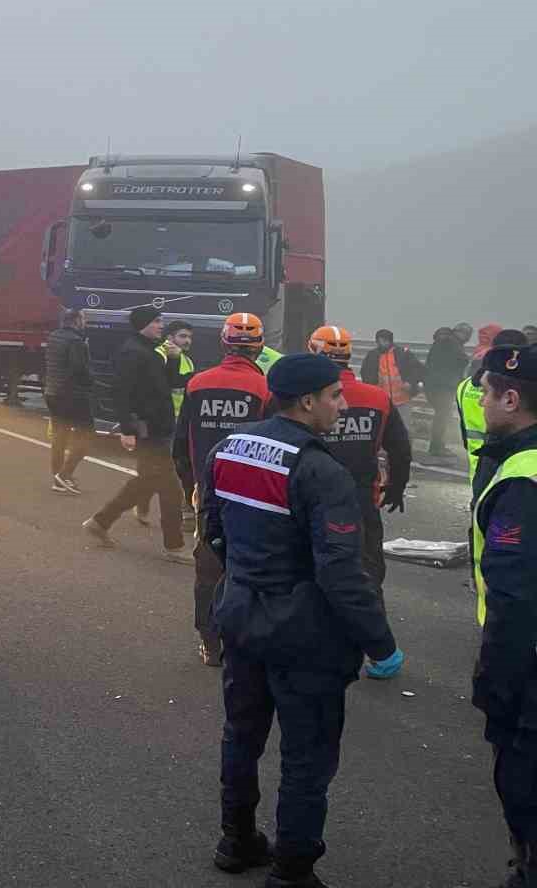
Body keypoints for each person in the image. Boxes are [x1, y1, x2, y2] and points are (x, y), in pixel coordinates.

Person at [202, 353, 400, 887]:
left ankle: (236, 840)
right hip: (303, 636)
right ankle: (292, 870)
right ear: (308, 401)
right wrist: (380, 642)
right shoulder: (321, 470)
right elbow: (341, 573)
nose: (342, 404)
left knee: (241, 736)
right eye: (335, 395)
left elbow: (214, 530)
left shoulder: (229, 448)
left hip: (240, 617)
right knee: (307, 757)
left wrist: (247, 581)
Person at [471, 347, 537, 885]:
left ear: (510, 398)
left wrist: (495, 685)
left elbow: (513, 598)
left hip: (531, 665)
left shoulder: (522, 477)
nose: (483, 403)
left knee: (524, 785)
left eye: (487, 394)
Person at [172, 312, 272, 667]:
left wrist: (191, 489)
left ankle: (210, 642)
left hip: (208, 491)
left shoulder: (198, 384)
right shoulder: (265, 389)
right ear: (259, 346)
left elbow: (180, 444)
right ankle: (247, 637)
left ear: (223, 342)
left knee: (209, 569)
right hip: (254, 495)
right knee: (251, 567)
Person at [308, 324, 412, 621]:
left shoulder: (303, 399)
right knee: (367, 573)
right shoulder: (376, 397)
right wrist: (396, 487)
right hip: (362, 500)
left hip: (310, 501)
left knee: (311, 573)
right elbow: (400, 448)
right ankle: (378, 648)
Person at [83, 306, 189, 563]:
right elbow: (121, 392)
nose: (161, 326)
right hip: (148, 429)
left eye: (161, 320)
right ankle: (174, 547)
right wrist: (127, 429)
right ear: (143, 324)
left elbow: (171, 383)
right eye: (156, 321)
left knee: (146, 482)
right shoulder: (132, 352)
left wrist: (174, 358)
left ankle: (100, 521)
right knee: (171, 489)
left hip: (160, 427)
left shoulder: (153, 351)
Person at [462, 329, 529, 480]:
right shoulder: (524, 388)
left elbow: (464, 434)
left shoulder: (464, 386)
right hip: (512, 472)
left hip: (481, 473)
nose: (482, 401)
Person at [43, 308, 94, 495]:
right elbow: (79, 369)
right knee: (87, 436)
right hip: (72, 396)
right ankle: (63, 476)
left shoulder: (54, 336)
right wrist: (91, 380)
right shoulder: (76, 341)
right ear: (76, 321)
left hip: (52, 392)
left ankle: (57, 477)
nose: (85, 322)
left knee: (60, 436)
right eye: (84, 319)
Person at [359, 330, 423, 431]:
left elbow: (418, 369)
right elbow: (365, 374)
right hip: (381, 401)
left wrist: (410, 382)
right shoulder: (372, 356)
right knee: (383, 430)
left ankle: (404, 446)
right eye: (379, 341)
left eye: (385, 340)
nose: (382, 343)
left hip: (403, 400)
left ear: (390, 341)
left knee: (404, 429)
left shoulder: (403, 354)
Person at [424, 325, 470, 458]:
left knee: (442, 415)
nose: (466, 337)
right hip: (443, 385)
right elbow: (461, 360)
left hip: (435, 384)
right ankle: (437, 447)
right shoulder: (452, 343)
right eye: (465, 334)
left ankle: (438, 445)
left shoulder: (442, 342)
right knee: (442, 416)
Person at [162, 320, 196, 416]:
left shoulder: (188, 360)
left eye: (190, 337)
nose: (187, 341)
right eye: (183, 336)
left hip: (182, 416)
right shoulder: (159, 356)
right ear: (170, 338)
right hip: (163, 416)